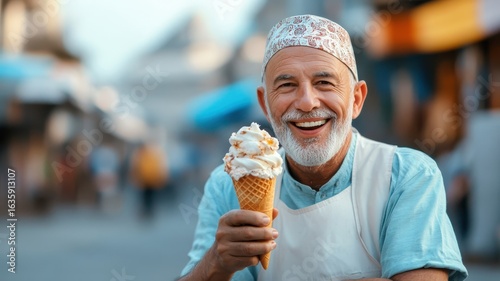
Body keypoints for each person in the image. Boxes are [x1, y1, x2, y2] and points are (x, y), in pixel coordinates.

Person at [179, 15, 468, 281]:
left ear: (356, 99)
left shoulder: (405, 176)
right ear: (265, 104)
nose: (307, 102)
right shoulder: (227, 184)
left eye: (324, 82)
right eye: (287, 85)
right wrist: (217, 261)